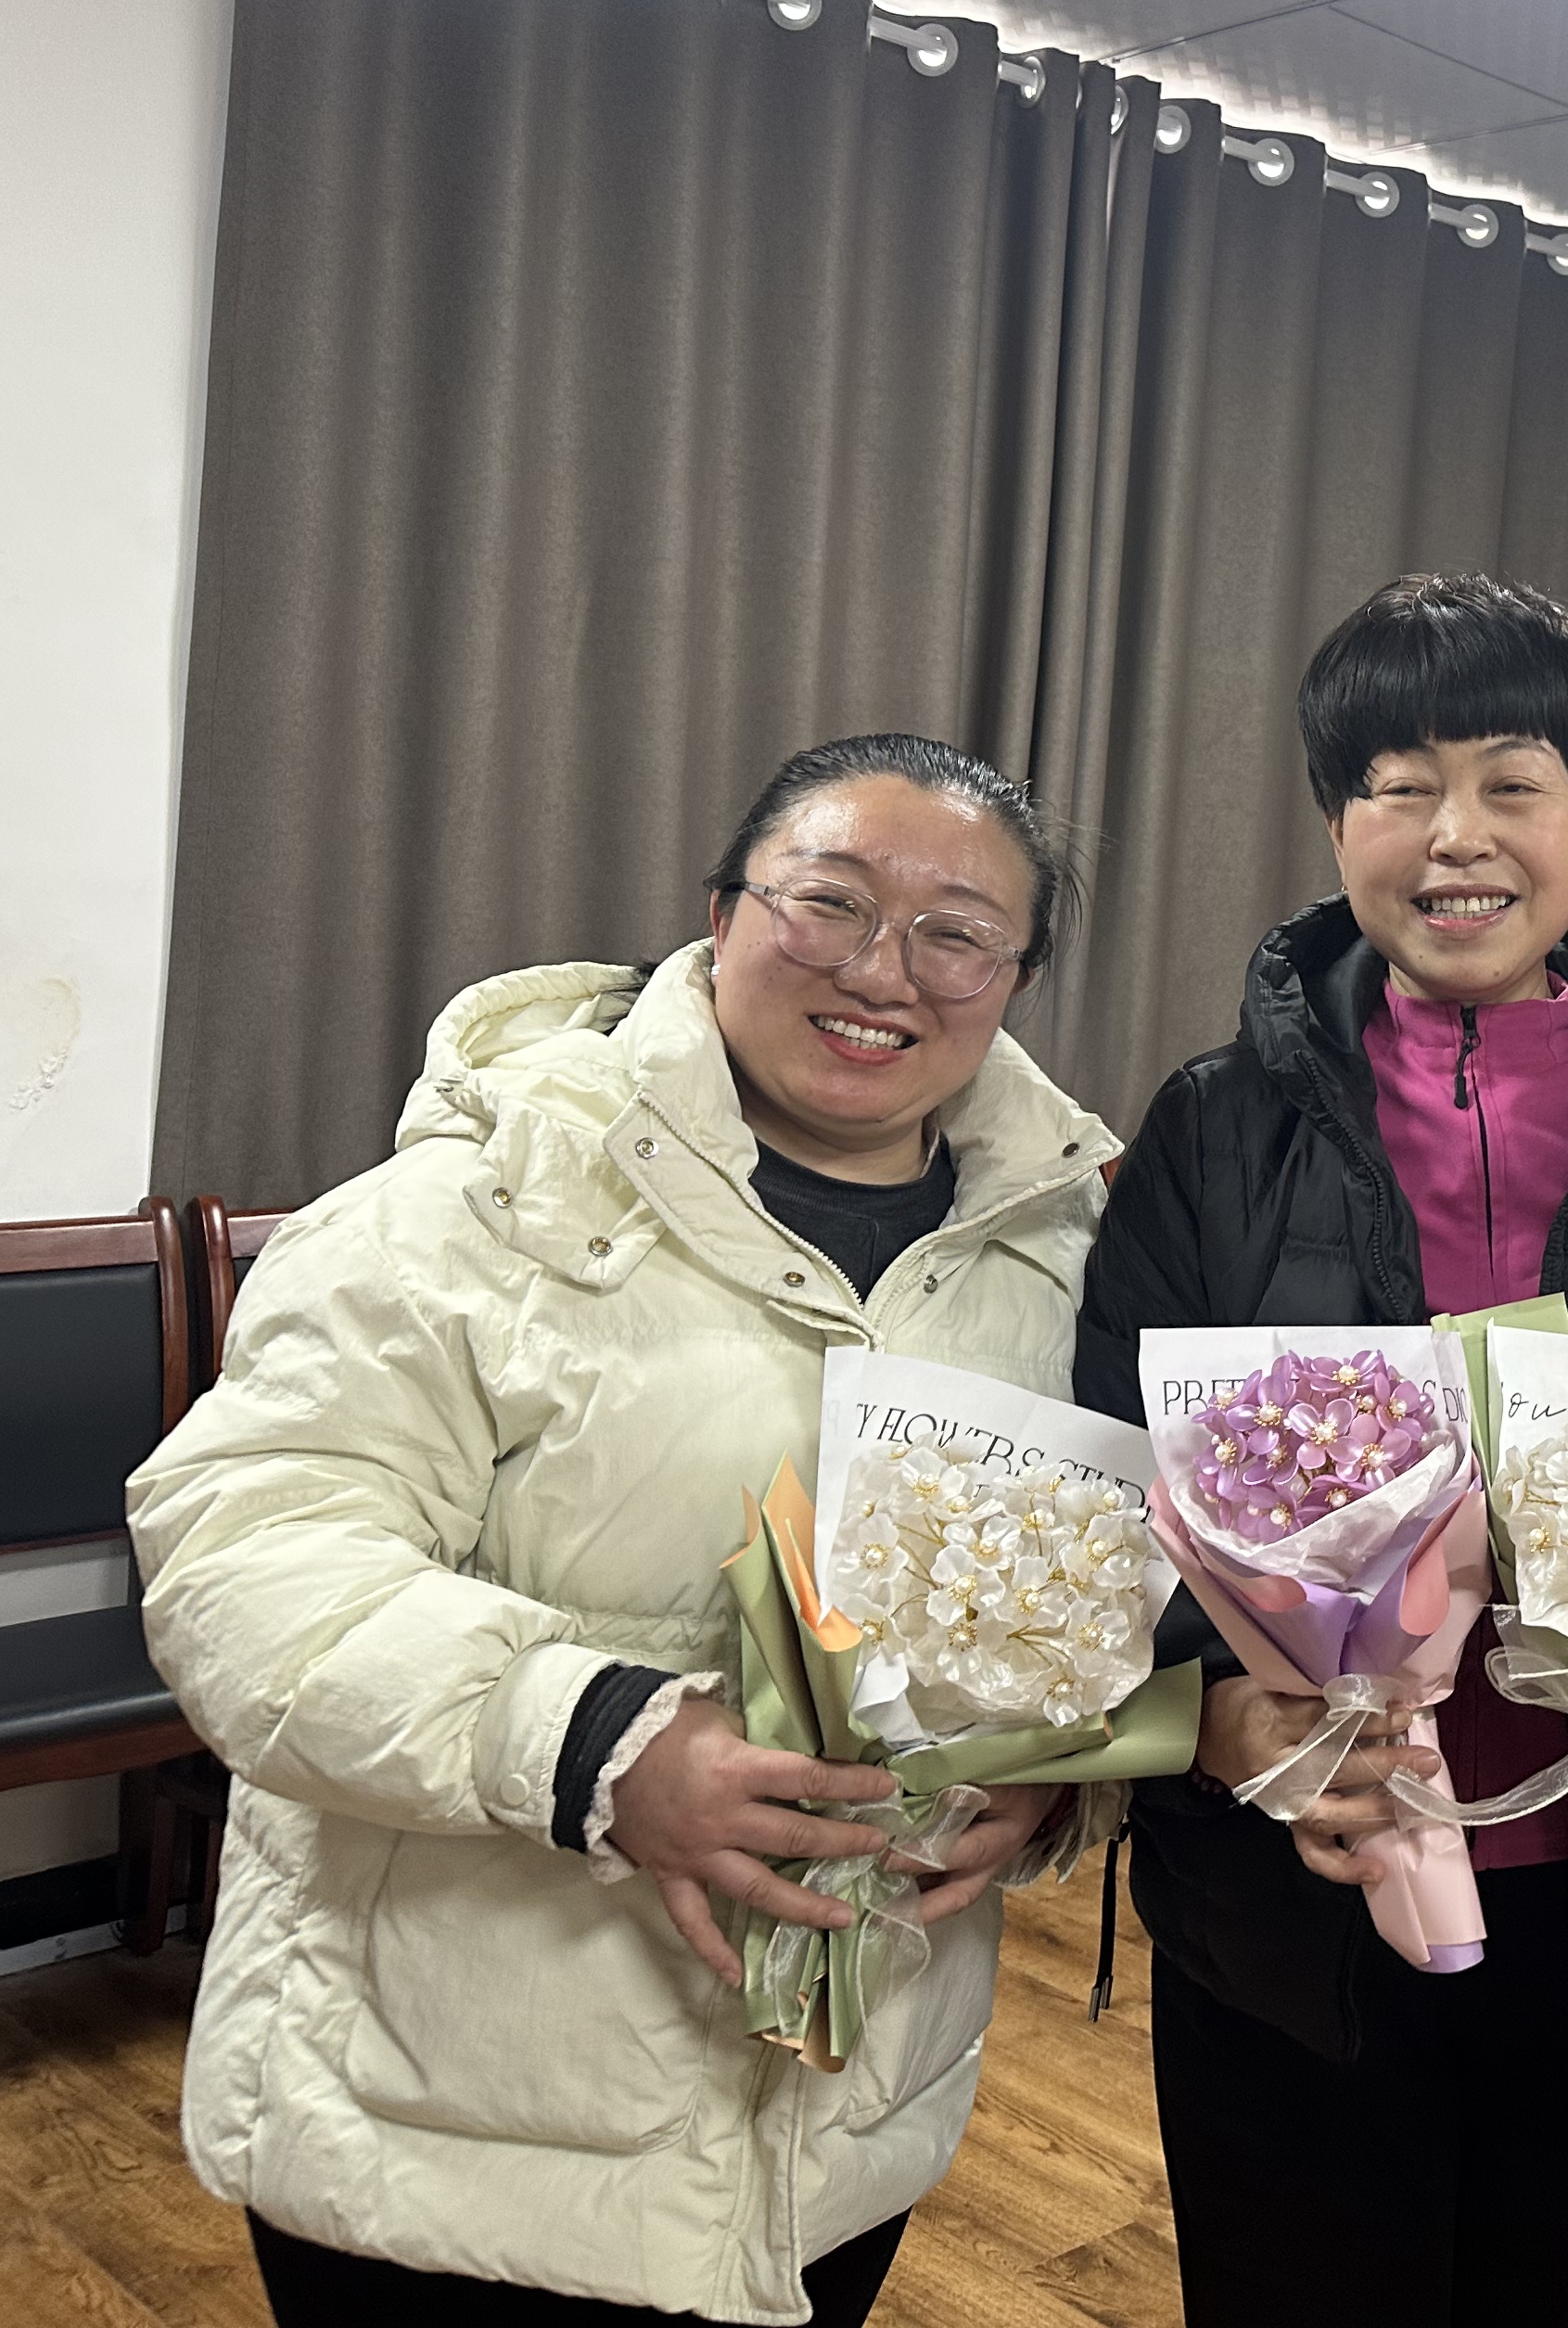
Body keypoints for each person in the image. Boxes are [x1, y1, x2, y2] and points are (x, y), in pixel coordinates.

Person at [125, 734, 1124, 2324]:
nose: (885, 971)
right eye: (831, 902)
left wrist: (1060, 1777)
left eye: (957, 934)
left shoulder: (1062, 1253)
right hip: (451, 2137)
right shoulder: (476, 1201)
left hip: (839, 2127)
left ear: (1013, 979)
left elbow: (1089, 1600)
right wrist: (591, 1740)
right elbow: (246, 1559)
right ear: (721, 915)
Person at [1072, 571, 1568, 2328]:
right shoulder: (1213, 1128)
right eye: (1399, 785)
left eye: (1512, 782)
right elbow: (1113, 1472)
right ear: (1339, 821)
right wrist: (1222, 1723)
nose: (1456, 835)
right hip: (1292, 1908)